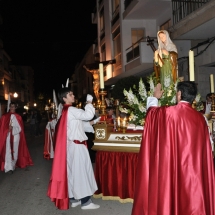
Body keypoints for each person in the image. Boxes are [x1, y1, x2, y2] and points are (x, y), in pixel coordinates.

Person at [132, 81, 215, 215]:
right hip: (193, 171)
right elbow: (208, 148)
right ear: (193, 98)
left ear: (179, 94)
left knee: (170, 191)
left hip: (171, 167)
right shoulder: (201, 119)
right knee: (191, 196)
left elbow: (151, 115)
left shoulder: (168, 113)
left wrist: (155, 97)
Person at [47, 88, 100, 210]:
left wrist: (95, 121)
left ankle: (74, 198)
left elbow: (80, 125)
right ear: (64, 98)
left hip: (73, 146)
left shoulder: (66, 111)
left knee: (73, 172)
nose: (73, 95)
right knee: (81, 172)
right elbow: (87, 115)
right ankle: (85, 202)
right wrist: (89, 103)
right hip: (76, 146)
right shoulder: (71, 109)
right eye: (70, 94)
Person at [0, 102, 33, 173]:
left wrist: (12, 128)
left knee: (15, 151)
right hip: (8, 137)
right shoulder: (4, 116)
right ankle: (8, 167)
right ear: (9, 107)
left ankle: (13, 164)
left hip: (15, 137)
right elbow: (1, 128)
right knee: (8, 151)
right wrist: (6, 130)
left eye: (13, 106)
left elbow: (20, 128)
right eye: (11, 106)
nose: (12, 108)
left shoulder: (18, 117)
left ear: (15, 108)